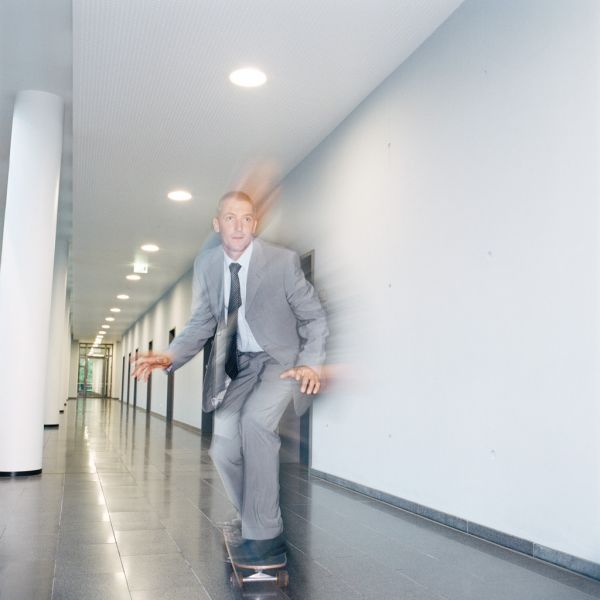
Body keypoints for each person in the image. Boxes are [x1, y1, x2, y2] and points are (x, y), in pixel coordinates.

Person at [132, 190, 328, 565]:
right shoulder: (207, 265)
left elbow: (314, 317)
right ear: (217, 223)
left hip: (281, 362)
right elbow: (203, 321)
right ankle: (251, 516)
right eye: (230, 218)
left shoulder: (282, 262)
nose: (239, 226)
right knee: (223, 446)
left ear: (255, 224)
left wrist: (311, 362)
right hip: (241, 365)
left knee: (255, 424)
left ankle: (266, 537)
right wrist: (170, 355)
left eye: (246, 219)